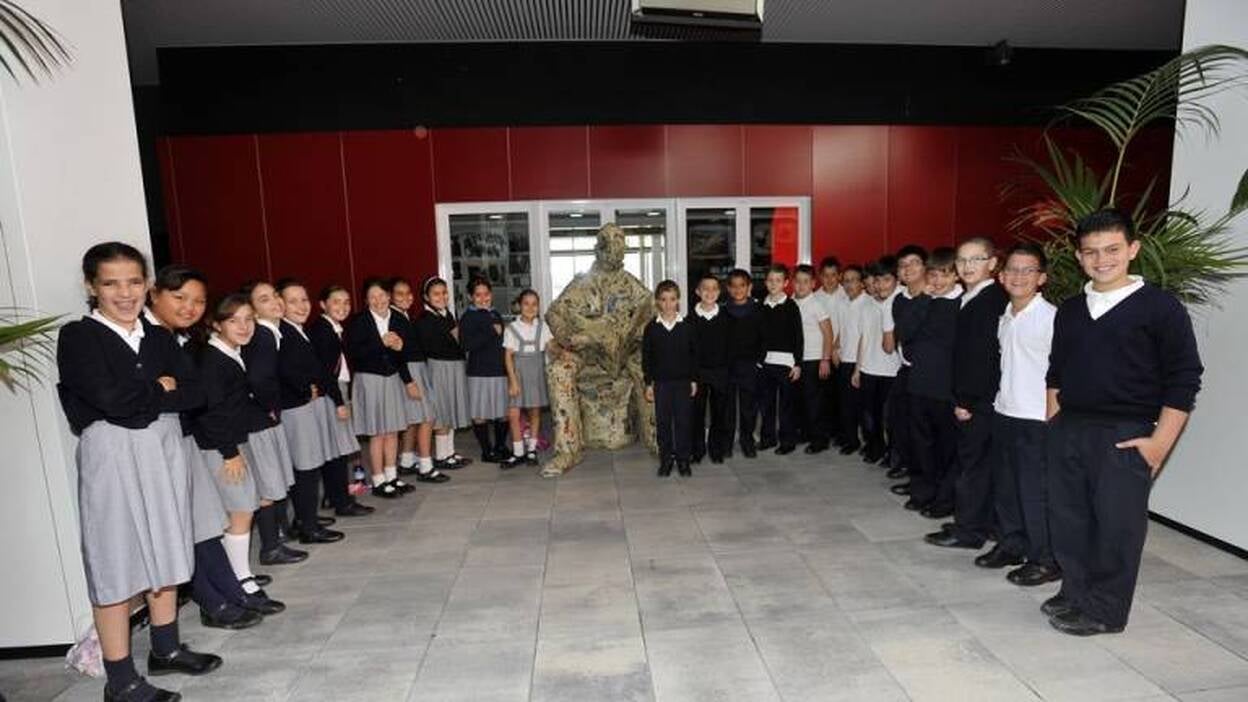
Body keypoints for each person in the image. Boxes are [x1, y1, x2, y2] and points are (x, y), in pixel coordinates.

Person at [57, 243, 222, 701]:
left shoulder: (159, 338)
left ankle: (165, 649)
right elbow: (112, 402)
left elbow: (197, 393)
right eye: (111, 283)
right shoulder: (79, 337)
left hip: (165, 451)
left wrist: (147, 394)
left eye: (133, 281)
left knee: (167, 544)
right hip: (112, 457)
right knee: (116, 557)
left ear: (146, 284)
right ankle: (121, 678)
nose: (124, 293)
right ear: (92, 286)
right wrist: (158, 389)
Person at [1044, 209, 1203, 636]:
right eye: (1091, 252)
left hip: (1126, 432)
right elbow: (1056, 371)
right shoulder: (1072, 309)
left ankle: (1106, 610)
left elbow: (1185, 379)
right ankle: (1076, 591)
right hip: (1070, 427)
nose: (1102, 260)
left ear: (1133, 249)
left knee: (1117, 526)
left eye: (1112, 249)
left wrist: (1157, 445)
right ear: (1079, 257)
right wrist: (1053, 423)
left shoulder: (1160, 307)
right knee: (1069, 519)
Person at [146, 265, 262, 631]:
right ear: (155, 294)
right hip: (174, 445)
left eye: (197, 300)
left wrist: (174, 392)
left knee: (205, 524)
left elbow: (194, 395)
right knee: (211, 521)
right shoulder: (157, 339)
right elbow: (204, 403)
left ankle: (227, 590)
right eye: (179, 298)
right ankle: (223, 593)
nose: (189, 307)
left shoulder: (175, 339)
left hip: (183, 440)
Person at [192, 294, 288, 622]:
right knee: (240, 512)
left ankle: (240, 578)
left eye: (248, 319)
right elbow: (211, 412)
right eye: (234, 321)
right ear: (216, 325)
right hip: (222, 447)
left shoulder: (231, 353)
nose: (244, 326)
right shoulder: (214, 360)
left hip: (233, 442)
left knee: (242, 510)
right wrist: (230, 452)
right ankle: (241, 582)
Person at [978, 243, 1061, 585]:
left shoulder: (1052, 318)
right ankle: (1012, 544)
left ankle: (1045, 559)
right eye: (1012, 269)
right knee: (1006, 487)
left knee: (1034, 491)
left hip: (1036, 419)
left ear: (1041, 277)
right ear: (1001, 275)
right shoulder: (1006, 317)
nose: (1018, 276)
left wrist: (1051, 419)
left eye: (1028, 270)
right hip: (1005, 411)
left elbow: (1062, 373)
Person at [927, 237, 1009, 549]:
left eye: (976, 259)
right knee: (977, 466)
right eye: (962, 260)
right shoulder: (972, 297)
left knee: (973, 467)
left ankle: (969, 531)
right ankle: (977, 522)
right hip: (976, 398)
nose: (967, 266)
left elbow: (983, 357)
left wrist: (965, 401)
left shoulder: (990, 301)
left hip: (980, 400)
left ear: (992, 263)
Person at [273, 277, 353, 545]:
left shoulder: (298, 330)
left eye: (303, 300)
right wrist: (306, 391)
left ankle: (306, 519)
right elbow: (282, 372)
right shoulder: (282, 332)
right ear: (279, 304)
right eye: (292, 301)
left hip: (302, 406)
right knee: (306, 469)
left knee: (309, 467)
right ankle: (309, 527)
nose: (301, 306)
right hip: (296, 409)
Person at [240, 280, 305, 566]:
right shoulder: (264, 336)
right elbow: (257, 379)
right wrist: (270, 407)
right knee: (268, 482)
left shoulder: (270, 334)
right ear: (253, 311)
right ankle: (271, 547)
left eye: (275, 296)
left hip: (261, 417)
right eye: (264, 300)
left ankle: (279, 535)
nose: (276, 302)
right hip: (258, 420)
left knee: (274, 479)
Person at [342, 278, 419, 498]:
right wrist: (381, 343)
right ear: (366, 300)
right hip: (370, 380)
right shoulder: (359, 321)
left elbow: (405, 354)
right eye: (372, 297)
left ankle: (392, 476)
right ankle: (378, 480)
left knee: (393, 430)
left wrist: (401, 351)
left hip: (392, 378)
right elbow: (354, 354)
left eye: (382, 295)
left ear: (388, 297)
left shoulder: (398, 319)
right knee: (377, 433)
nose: (378, 301)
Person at [900, 247, 962, 517]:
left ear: (956, 276)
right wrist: (924, 298)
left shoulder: (963, 303)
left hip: (947, 389)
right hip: (919, 385)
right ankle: (924, 492)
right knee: (921, 444)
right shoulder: (924, 300)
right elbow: (906, 332)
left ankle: (945, 499)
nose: (937, 281)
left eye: (944, 275)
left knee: (947, 448)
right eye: (933, 275)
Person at [307, 285, 374, 516]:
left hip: (337, 389)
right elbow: (325, 372)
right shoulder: (323, 331)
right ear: (323, 304)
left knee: (336, 448)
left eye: (346, 302)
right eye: (336, 302)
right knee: (337, 449)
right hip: (332, 393)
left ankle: (332, 496)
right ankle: (342, 502)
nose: (343, 307)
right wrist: (339, 402)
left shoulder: (334, 328)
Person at [387, 277, 445, 483]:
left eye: (408, 293)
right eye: (399, 294)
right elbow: (396, 354)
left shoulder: (403, 316)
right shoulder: (393, 318)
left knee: (413, 420)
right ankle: (426, 466)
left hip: (416, 369)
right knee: (427, 417)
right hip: (410, 372)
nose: (406, 297)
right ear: (390, 297)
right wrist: (409, 381)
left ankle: (406, 461)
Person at [415, 277, 474, 470]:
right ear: (426, 297)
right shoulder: (425, 319)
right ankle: (441, 456)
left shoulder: (446, 314)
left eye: (444, 292)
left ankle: (449, 452)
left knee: (450, 409)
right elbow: (438, 346)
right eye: (436, 294)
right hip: (439, 368)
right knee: (441, 410)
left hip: (453, 366)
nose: (441, 297)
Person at [643, 280, 698, 477]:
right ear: (658, 302)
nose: (668, 304)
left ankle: (683, 459)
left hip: (683, 383)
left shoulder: (687, 327)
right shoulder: (651, 328)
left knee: (683, 422)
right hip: (662, 384)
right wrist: (648, 383)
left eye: (672, 299)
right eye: (664, 300)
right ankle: (666, 459)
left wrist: (693, 380)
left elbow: (694, 355)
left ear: (678, 301)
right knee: (663, 423)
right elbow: (646, 358)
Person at [885, 245, 928, 489]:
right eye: (903, 265)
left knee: (923, 431)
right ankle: (914, 476)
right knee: (900, 422)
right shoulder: (899, 300)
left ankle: (925, 482)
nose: (908, 269)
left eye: (914, 263)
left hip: (929, 373)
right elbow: (904, 333)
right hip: (906, 369)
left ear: (925, 267)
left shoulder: (936, 298)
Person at [852, 258, 902, 465]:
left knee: (889, 418)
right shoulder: (867, 305)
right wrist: (857, 369)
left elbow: (891, 345)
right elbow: (863, 338)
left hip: (892, 370)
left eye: (880, 280)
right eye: (873, 281)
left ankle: (893, 454)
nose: (876, 285)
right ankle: (875, 447)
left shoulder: (900, 301)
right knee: (869, 414)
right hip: (869, 369)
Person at [460, 277, 512, 464]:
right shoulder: (468, 317)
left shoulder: (496, 314)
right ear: (470, 297)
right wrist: (491, 331)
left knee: (502, 412)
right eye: (478, 295)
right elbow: (467, 345)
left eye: (486, 294)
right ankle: (486, 450)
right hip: (478, 371)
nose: (483, 298)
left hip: (499, 369)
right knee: (480, 413)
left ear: (491, 294)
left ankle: (500, 445)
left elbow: (502, 343)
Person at [757, 264, 803, 455]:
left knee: (786, 405)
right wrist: (758, 359)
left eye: (778, 280)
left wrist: (798, 363)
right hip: (765, 363)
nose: (773, 284)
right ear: (765, 282)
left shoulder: (791, 306)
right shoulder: (761, 306)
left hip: (786, 363)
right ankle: (767, 438)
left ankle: (787, 441)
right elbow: (758, 335)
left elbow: (798, 336)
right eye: (770, 280)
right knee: (766, 404)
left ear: (785, 283)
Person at [503, 289, 552, 468]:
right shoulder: (512, 328)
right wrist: (513, 381)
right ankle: (517, 452)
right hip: (518, 373)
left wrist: (564, 352)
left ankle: (531, 449)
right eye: (526, 303)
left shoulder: (543, 327)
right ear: (519, 306)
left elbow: (550, 347)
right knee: (514, 413)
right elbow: (508, 356)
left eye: (534, 304)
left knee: (534, 412)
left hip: (536, 372)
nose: (530, 307)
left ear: (538, 307)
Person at [688, 274, 733, 464]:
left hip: (720, 372)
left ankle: (717, 449)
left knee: (719, 412)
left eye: (714, 288)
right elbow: (687, 351)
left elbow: (731, 347)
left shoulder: (727, 318)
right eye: (705, 288)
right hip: (698, 374)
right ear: (698, 292)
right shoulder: (688, 320)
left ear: (719, 292)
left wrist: (728, 369)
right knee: (696, 413)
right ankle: (697, 450)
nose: (710, 292)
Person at [723, 268, 764, 458]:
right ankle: (727, 443)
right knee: (728, 408)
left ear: (749, 287)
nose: (738, 289)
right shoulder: (722, 312)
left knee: (749, 407)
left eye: (742, 286)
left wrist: (759, 362)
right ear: (728, 289)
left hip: (750, 366)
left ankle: (747, 441)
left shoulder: (758, 310)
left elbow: (764, 337)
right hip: (728, 367)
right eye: (734, 286)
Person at [793, 264, 834, 454]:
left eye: (805, 282)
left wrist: (825, 360)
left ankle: (820, 439)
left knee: (815, 402)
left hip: (815, 359)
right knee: (800, 401)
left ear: (813, 284)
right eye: (798, 281)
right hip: (798, 360)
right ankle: (805, 432)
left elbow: (828, 333)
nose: (801, 286)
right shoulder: (792, 302)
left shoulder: (816, 304)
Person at [835, 264, 869, 454]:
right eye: (846, 281)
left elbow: (865, 337)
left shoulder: (867, 304)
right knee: (846, 405)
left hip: (862, 363)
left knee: (862, 406)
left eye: (853, 280)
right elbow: (841, 329)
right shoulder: (842, 302)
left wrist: (858, 366)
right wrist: (834, 347)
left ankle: (868, 442)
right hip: (844, 360)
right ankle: (851, 440)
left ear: (862, 283)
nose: (849, 285)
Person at [816, 256, 848, 441]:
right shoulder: (816, 297)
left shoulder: (847, 295)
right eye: (826, 275)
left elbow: (847, 325)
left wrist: (836, 348)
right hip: (821, 355)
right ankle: (824, 432)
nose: (829, 279)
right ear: (820, 276)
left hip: (843, 354)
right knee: (823, 395)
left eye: (833, 275)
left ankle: (841, 432)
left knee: (841, 396)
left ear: (840, 276)